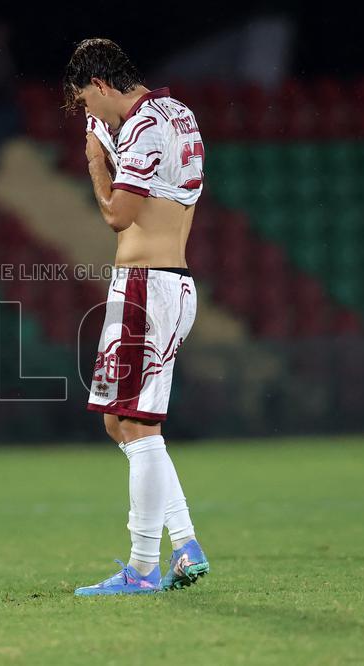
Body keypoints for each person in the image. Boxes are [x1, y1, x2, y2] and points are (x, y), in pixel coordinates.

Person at [63, 38, 209, 595]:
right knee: (120, 421)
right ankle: (185, 542)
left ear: (100, 86)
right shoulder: (180, 116)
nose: (87, 114)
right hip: (167, 283)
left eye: (84, 102)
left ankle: (143, 569)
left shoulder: (144, 125)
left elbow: (118, 216)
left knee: (138, 426)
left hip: (147, 288)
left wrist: (97, 163)